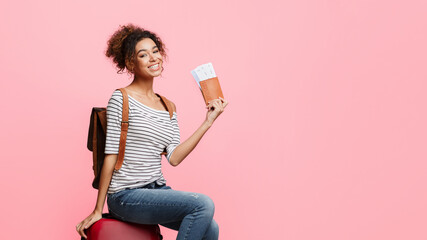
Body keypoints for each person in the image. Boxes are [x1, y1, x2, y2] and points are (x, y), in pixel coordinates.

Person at [76, 24, 228, 240]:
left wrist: (207, 122)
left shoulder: (168, 107)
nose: (153, 58)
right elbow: (110, 155)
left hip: (156, 191)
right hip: (125, 196)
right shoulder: (122, 98)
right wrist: (98, 209)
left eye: (155, 51)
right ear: (130, 62)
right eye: (143, 54)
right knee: (203, 204)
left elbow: (174, 157)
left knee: (211, 228)